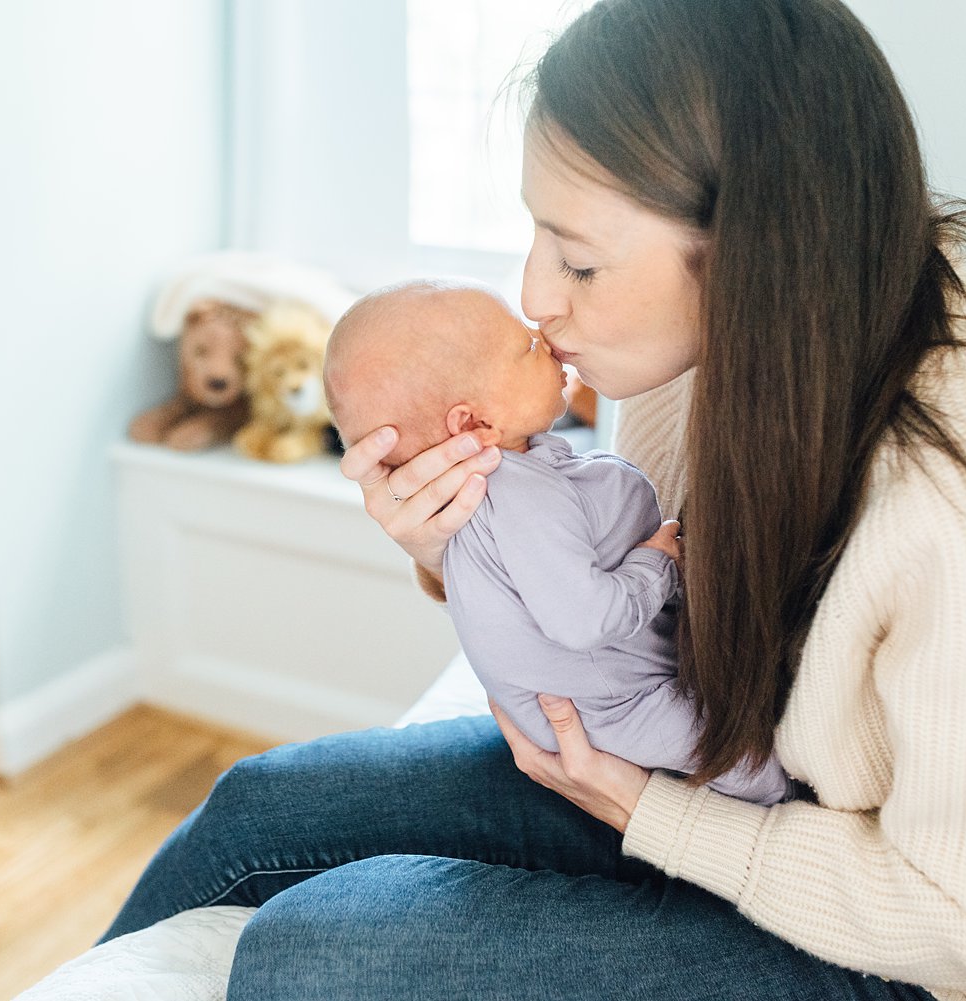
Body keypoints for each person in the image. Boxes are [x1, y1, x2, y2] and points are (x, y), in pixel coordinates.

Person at [103, 1, 966, 997]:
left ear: (754, 252)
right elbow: (626, 584)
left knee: (317, 946)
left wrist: (652, 813)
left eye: (578, 262)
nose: (535, 296)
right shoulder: (709, 352)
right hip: (731, 770)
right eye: (536, 236)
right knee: (258, 805)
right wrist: (451, 542)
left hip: (929, 945)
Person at [323, 279, 790, 797]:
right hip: (611, 713)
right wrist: (657, 564)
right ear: (476, 422)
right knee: (743, 760)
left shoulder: (514, 476)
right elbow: (584, 618)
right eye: (525, 346)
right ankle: (781, 810)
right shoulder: (519, 494)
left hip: (599, 698)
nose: (542, 337)